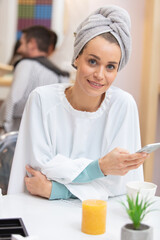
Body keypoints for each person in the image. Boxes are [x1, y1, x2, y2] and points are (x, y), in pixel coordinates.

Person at [8, 5, 148, 200]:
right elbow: (37, 172)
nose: (99, 75)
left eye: (110, 66)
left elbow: (119, 185)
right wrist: (101, 167)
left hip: (100, 218)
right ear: (76, 58)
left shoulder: (123, 105)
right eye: (92, 61)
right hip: (43, 212)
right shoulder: (41, 100)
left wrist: (57, 189)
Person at [0, 25, 69, 133]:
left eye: (22, 43)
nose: (18, 48)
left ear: (32, 44)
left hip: (19, 128)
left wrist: (4, 125)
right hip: (44, 130)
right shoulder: (61, 75)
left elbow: (13, 98)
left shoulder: (26, 64)